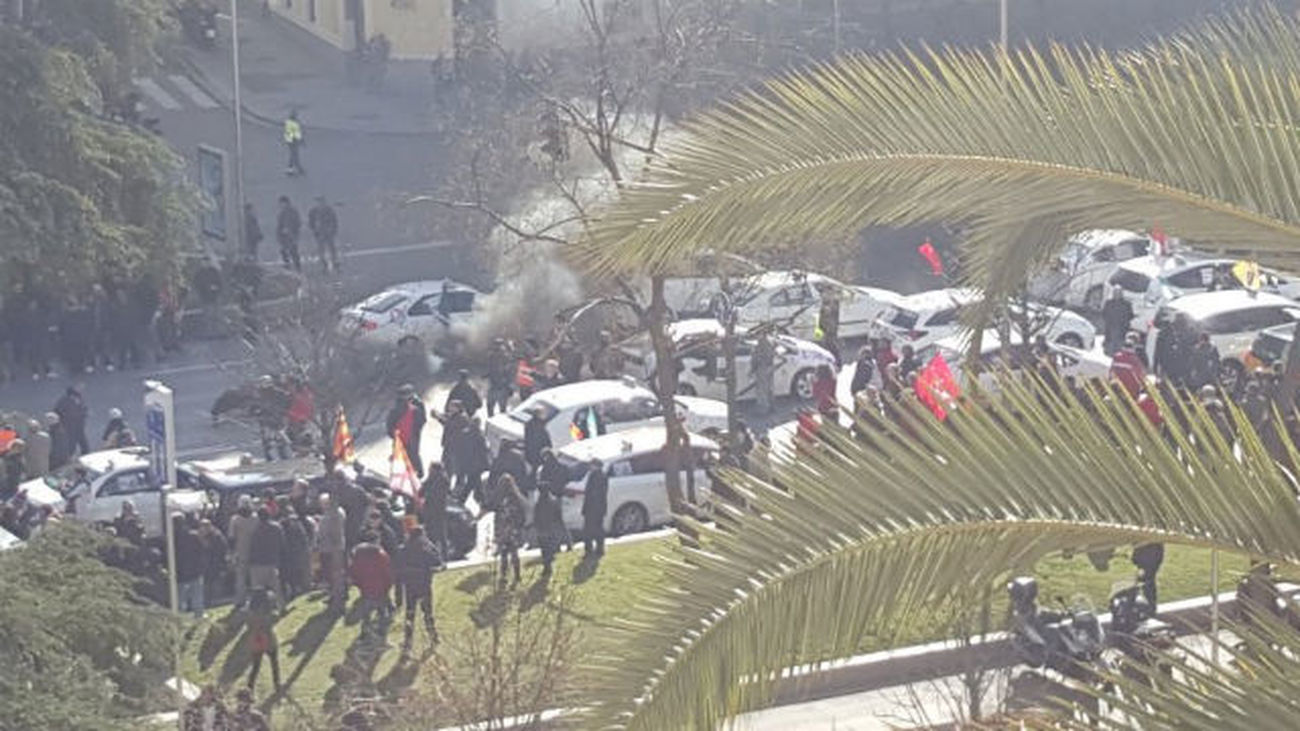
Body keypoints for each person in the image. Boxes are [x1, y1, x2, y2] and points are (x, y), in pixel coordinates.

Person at [394, 525, 442, 649]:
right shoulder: (426, 549)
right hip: (424, 584)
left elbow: (398, 568)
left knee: (410, 613)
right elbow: (438, 562)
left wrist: (398, 594)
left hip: (410, 586)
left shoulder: (404, 549)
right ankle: (433, 636)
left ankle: (408, 641)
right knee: (427, 613)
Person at [349, 533, 394, 637]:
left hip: (365, 588)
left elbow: (353, 571)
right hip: (380, 588)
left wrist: (358, 584)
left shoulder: (357, 554)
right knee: (382, 611)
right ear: (377, 541)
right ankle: (382, 631)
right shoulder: (381, 554)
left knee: (366, 611)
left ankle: (365, 631)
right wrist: (388, 586)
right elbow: (387, 572)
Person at [487, 474, 525, 588]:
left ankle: (503, 576)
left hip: (502, 527)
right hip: (513, 528)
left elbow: (491, 506)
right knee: (514, 552)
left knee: (504, 552)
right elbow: (521, 512)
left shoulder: (498, 497)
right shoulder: (516, 497)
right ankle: (517, 575)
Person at [245, 588, 282, 694]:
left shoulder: (249, 612)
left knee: (255, 666)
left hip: (255, 639)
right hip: (268, 638)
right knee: (274, 663)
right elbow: (275, 618)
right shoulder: (268, 611)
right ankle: (277, 683)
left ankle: (250, 687)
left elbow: (248, 624)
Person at [248, 507, 285, 610]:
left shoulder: (255, 530)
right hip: (272, 561)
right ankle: (281, 607)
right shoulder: (277, 527)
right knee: (276, 587)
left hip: (257, 563)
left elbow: (252, 546)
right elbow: (282, 544)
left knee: (258, 588)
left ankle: (259, 609)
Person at [386, 384, 426, 478]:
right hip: (407, 436)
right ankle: (414, 474)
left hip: (408, 436)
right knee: (411, 454)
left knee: (411, 455)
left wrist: (393, 434)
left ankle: (415, 474)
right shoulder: (403, 407)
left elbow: (390, 423)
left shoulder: (416, 404)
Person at [317, 493, 348, 612]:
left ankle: (337, 597)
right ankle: (334, 595)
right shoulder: (335, 513)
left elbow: (328, 531)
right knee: (332, 574)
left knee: (334, 574)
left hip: (331, 548)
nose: (321, 506)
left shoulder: (334, 514)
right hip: (331, 547)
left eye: (323, 504)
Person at [228, 495, 258, 607]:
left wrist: (231, 553)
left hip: (241, 552)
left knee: (241, 578)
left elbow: (231, 537)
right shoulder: (256, 518)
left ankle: (240, 600)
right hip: (255, 551)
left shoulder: (235, 519)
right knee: (255, 577)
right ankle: (256, 599)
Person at [175, 515, 207, 618]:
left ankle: (180, 615)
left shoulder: (171, 538)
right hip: (194, 569)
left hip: (179, 570)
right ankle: (199, 614)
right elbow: (202, 550)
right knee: (196, 594)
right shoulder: (193, 535)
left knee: (181, 596)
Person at [280, 505, 312, 601]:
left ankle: (295, 589)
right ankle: (300, 588)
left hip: (290, 552)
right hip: (297, 550)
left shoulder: (285, 524)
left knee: (292, 573)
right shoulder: (298, 523)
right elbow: (304, 537)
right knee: (298, 571)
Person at [419, 463, 450, 556]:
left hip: (438, 511)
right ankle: (434, 554)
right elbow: (421, 492)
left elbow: (434, 495)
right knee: (432, 534)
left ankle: (444, 555)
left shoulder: (442, 481)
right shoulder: (431, 479)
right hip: (431, 511)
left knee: (440, 535)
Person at [534, 485, 564, 577]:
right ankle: (548, 566)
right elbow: (558, 516)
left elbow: (536, 516)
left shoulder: (539, 503)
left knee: (544, 549)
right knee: (548, 548)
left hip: (543, 529)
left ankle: (547, 567)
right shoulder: (553, 502)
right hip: (551, 528)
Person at [581, 458, 608, 557]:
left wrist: (587, 509)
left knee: (589, 530)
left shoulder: (596, 477)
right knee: (598, 529)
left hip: (593, 508)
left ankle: (589, 550)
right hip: (599, 508)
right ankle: (599, 549)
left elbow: (593, 494)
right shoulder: (601, 476)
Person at [198, 518, 229, 602]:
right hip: (205, 564)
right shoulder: (200, 535)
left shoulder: (217, 536)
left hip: (216, 563)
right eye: (202, 526)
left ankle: (216, 600)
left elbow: (221, 549)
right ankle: (207, 600)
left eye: (206, 526)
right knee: (206, 583)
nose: (204, 528)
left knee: (215, 582)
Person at [1109, 332, 1147, 399]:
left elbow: (1111, 373)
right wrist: (1144, 386)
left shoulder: (1116, 357)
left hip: (1118, 388)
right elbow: (1140, 375)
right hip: (1132, 390)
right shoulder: (1134, 359)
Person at [54, 384, 89, 457]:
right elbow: (57, 412)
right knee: (72, 444)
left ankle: (85, 455)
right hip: (69, 426)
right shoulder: (63, 401)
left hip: (79, 425)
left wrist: (84, 414)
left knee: (83, 443)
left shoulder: (78, 399)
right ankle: (69, 457)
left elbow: (84, 409)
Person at [307, 196, 340, 272]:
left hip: (329, 233)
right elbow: (311, 222)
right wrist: (314, 230)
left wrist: (333, 230)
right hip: (319, 233)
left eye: (321, 201)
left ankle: (335, 262)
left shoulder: (329, 210)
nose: (320, 203)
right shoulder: (313, 211)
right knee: (321, 250)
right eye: (318, 202)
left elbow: (334, 221)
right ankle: (324, 264)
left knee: (332, 249)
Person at [1100, 288, 1134, 355]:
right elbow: (1104, 313)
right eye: (1115, 293)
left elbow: (1130, 315)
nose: (1117, 295)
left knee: (1119, 343)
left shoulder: (1127, 304)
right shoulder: (1109, 303)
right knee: (1111, 341)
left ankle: (1116, 353)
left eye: (1118, 293)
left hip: (1122, 327)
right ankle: (1110, 353)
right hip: (1111, 326)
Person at [485, 339, 515, 416]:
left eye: (498, 345)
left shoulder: (505, 356)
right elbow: (490, 368)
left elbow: (509, 371)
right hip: (495, 385)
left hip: (501, 386)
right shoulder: (493, 356)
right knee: (492, 407)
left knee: (498, 408)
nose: (497, 347)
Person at [275, 196, 302, 272]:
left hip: (292, 236)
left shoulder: (293, 212)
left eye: (283, 203)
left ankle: (298, 267)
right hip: (284, 237)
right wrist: (279, 235)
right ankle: (287, 266)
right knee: (284, 252)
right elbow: (279, 225)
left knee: (293, 252)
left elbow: (298, 223)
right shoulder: (281, 213)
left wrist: (291, 230)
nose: (282, 205)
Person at [752, 333, 776, 414]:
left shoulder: (760, 345)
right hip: (770, 367)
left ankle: (763, 409)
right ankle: (771, 407)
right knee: (769, 388)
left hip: (762, 368)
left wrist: (752, 369)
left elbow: (756, 358)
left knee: (762, 390)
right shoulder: (770, 341)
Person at [523, 407, 551, 477]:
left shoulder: (529, 425)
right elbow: (544, 440)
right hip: (538, 453)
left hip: (529, 452)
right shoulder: (540, 426)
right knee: (535, 471)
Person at [283, 110, 304, 176]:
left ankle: (294, 168)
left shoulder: (288, 122)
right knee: (294, 155)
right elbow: (295, 133)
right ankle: (292, 169)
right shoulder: (294, 123)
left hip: (290, 140)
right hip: (293, 141)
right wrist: (299, 140)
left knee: (294, 154)